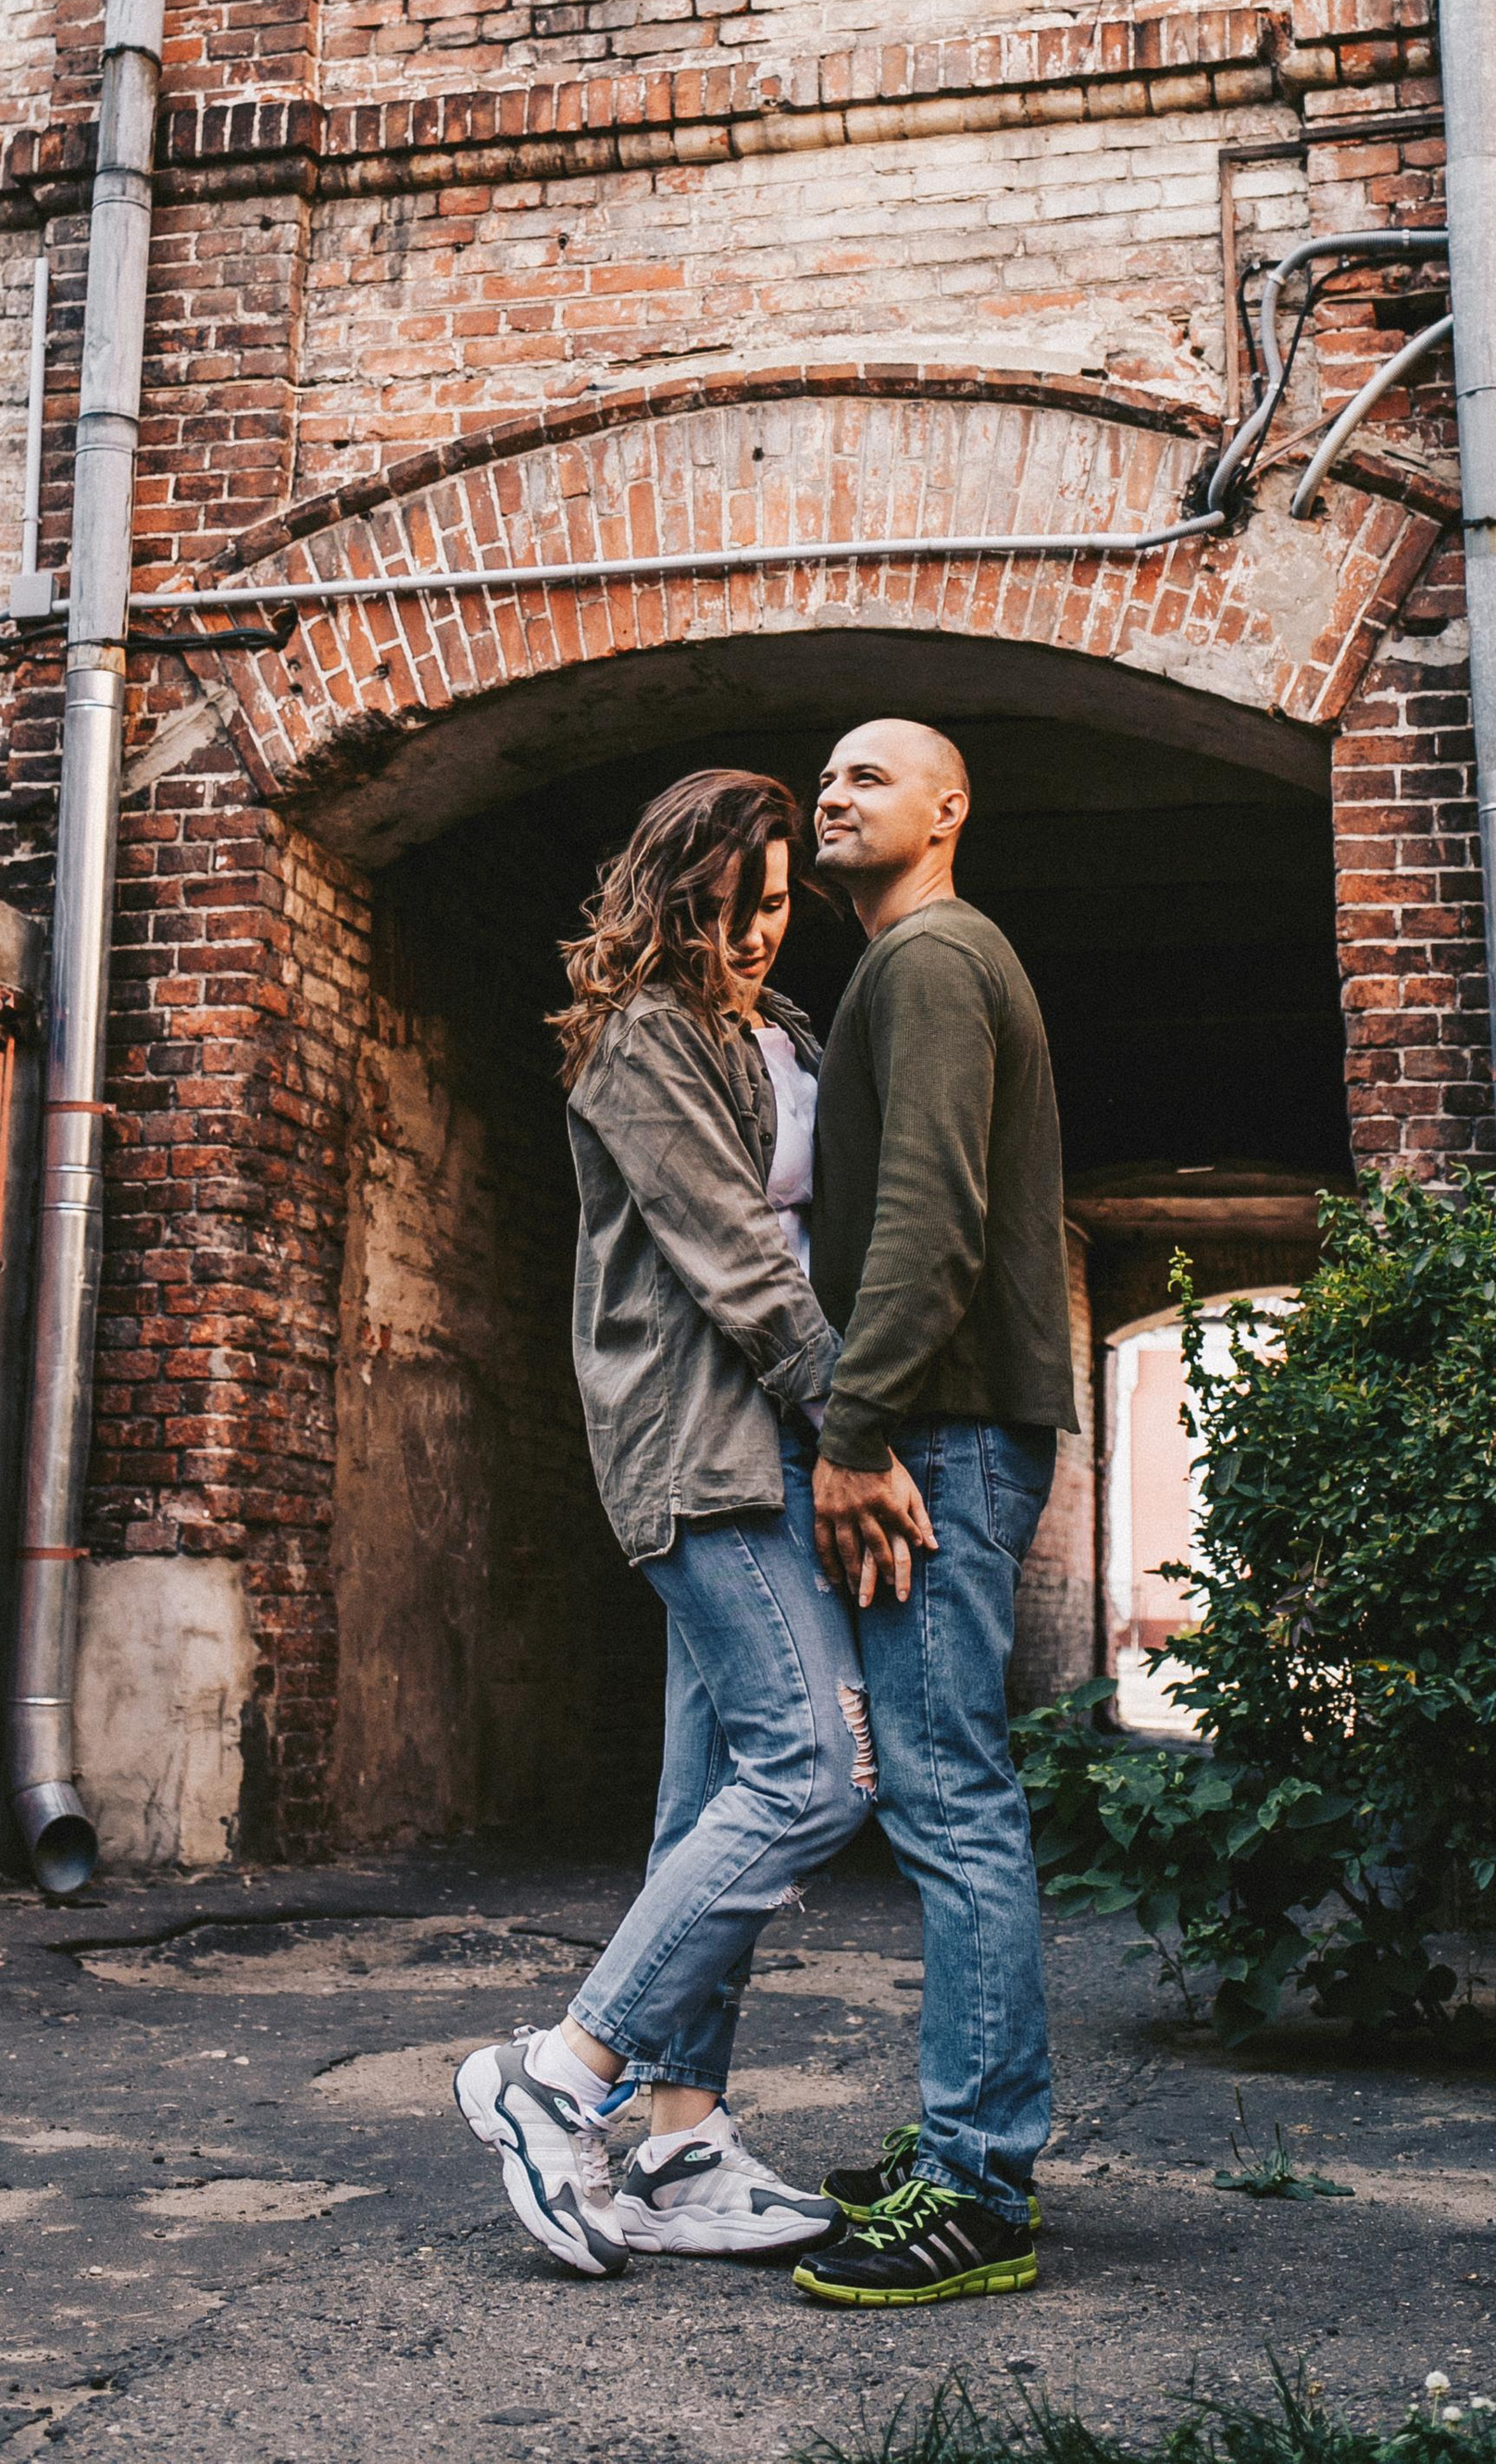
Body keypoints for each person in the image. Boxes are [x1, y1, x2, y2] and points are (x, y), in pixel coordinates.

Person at [454, 769, 877, 2279]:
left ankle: (684, 2143)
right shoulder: (639, 1042)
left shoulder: (784, 1033)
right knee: (820, 1772)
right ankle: (556, 2076)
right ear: (675, 890)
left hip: (771, 1448)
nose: (761, 932)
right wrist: (863, 1430)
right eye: (733, 905)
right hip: (706, 1453)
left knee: (708, 1813)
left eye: (779, 905)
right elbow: (742, 1261)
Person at [790, 717, 1078, 2309]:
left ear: (949, 810)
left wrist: (856, 1429)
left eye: (871, 777)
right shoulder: (914, 967)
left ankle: (979, 2184)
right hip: (953, 1428)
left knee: (951, 1800)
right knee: (944, 1792)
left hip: (944, 1439)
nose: (835, 794)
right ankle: (964, 2145)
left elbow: (932, 1215)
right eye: (825, 777)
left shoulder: (933, 960)